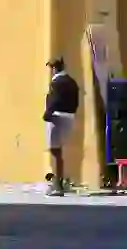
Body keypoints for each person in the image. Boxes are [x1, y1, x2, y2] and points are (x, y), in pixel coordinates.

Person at [43, 58, 80, 197]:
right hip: (69, 117)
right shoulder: (72, 82)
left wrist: (47, 114)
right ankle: (61, 181)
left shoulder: (56, 82)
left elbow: (54, 100)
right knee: (59, 151)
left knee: (54, 151)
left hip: (57, 118)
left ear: (54, 68)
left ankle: (57, 184)